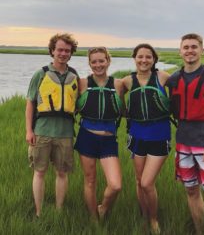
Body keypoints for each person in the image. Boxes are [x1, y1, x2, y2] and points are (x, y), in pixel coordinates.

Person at [167, 33, 204, 235]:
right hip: (183, 144)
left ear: (202, 50)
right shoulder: (175, 78)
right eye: (186, 47)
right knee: (191, 190)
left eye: (194, 47)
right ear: (180, 51)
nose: (190, 50)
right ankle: (200, 231)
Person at [26, 33, 79, 217]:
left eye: (67, 50)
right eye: (60, 50)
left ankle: (59, 210)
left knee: (62, 173)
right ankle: (39, 212)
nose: (63, 53)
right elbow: (30, 103)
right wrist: (29, 130)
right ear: (52, 51)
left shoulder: (74, 76)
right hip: (42, 132)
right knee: (39, 172)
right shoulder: (40, 74)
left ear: (71, 53)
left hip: (65, 133)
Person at [122, 43, 171, 235]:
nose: (144, 60)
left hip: (159, 135)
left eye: (148, 57)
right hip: (136, 135)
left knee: (147, 183)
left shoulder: (163, 77)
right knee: (138, 180)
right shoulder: (126, 81)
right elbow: (111, 94)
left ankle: (153, 219)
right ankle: (143, 215)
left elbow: (186, 79)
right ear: (134, 58)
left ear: (154, 59)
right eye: (140, 56)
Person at [74, 46, 124, 220]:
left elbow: (144, 79)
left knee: (116, 185)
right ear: (89, 63)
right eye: (94, 61)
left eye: (101, 61)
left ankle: (103, 208)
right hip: (86, 136)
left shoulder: (119, 84)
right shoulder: (82, 83)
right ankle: (94, 220)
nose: (98, 65)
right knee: (90, 181)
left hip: (109, 140)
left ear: (108, 61)